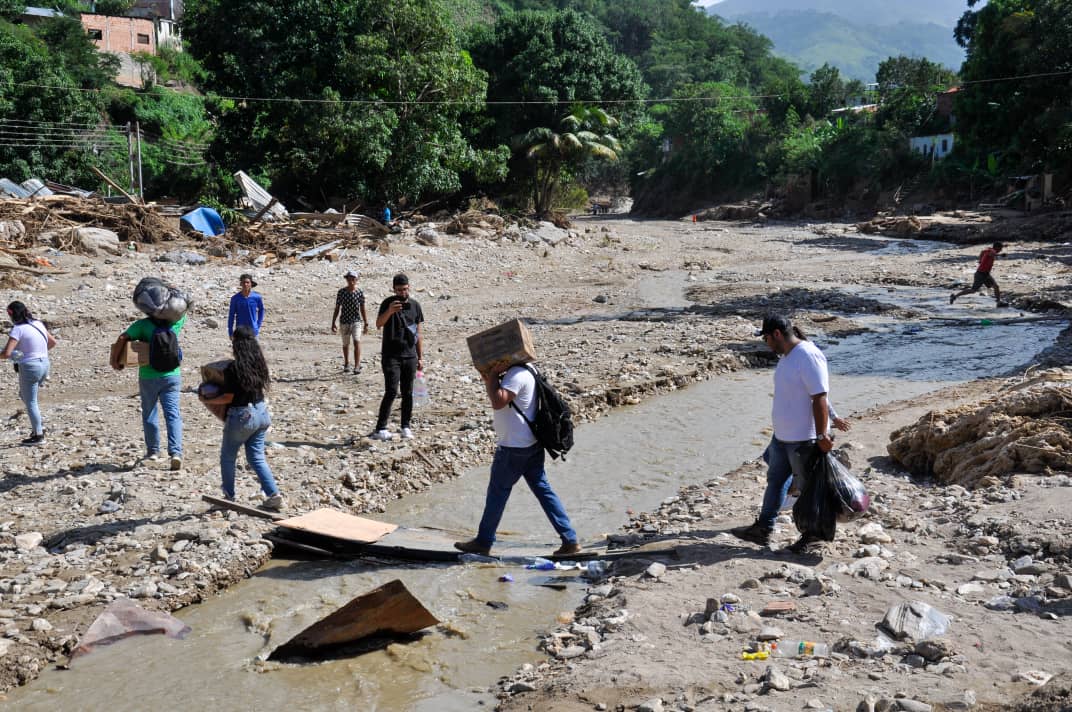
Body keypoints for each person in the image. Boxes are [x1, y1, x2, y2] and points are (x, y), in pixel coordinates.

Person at [731, 314, 845, 555]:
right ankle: (763, 529)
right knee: (776, 481)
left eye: (765, 338)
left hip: (804, 439)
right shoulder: (787, 357)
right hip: (783, 437)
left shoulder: (808, 356)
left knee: (810, 489)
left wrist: (823, 434)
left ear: (777, 334)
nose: (765, 343)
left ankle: (814, 537)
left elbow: (820, 397)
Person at [454, 362, 581, 557]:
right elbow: (501, 392)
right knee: (544, 491)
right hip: (531, 444)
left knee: (497, 494)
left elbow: (498, 401)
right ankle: (570, 540)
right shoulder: (529, 368)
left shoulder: (516, 374)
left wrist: (494, 373)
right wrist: (491, 377)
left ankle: (483, 541)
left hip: (514, 447)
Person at [199, 326, 283, 510]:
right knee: (256, 458)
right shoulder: (259, 364)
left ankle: (228, 497)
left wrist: (206, 398)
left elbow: (229, 397)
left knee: (228, 457)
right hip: (261, 413)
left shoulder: (233, 368)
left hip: (242, 416)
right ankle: (273, 494)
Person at [111, 312, 186, 469]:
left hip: (148, 376)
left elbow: (122, 338)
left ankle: (153, 451)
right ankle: (176, 453)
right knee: (173, 414)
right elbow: (183, 309)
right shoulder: (175, 323)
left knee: (150, 413)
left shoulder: (142, 325)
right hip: (172, 375)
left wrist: (115, 360)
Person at [371, 273, 424, 441]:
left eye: (405, 289)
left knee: (408, 392)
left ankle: (405, 426)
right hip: (391, 355)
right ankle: (381, 428)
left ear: (409, 287)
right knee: (392, 391)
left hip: (410, 355)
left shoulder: (415, 305)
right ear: (394, 289)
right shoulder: (388, 303)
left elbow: (418, 333)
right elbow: (379, 324)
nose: (403, 293)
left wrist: (420, 357)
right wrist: (390, 311)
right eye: (399, 290)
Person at [1, 301, 56, 445]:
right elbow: (52, 342)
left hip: (30, 367)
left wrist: (26, 356)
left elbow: (7, 353)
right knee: (26, 396)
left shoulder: (18, 329)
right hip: (44, 364)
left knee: (31, 402)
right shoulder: (38, 324)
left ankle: (38, 435)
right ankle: (38, 427)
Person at [331, 270, 369, 374]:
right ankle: (347, 363)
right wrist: (333, 322)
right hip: (344, 321)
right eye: (349, 278)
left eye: (353, 278)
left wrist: (366, 323)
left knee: (357, 341)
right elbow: (337, 308)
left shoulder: (359, 292)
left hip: (356, 321)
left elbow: (362, 308)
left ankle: (357, 365)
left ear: (356, 280)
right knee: (346, 344)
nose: (351, 280)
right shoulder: (341, 292)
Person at [950, 242, 1007, 307]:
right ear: (997, 247)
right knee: (973, 290)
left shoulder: (988, 250)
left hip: (986, 274)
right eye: (1000, 248)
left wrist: (980, 260)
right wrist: (1000, 255)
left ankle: (999, 302)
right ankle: (955, 296)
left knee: (996, 286)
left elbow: (982, 251)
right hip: (980, 274)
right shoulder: (991, 251)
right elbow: (992, 254)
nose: (1001, 250)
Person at [228, 274, 266, 338]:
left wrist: (258, 324)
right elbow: (231, 315)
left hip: (253, 330)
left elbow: (261, 310)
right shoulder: (235, 298)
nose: (245, 284)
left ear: (251, 284)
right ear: (241, 284)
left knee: (253, 348)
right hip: (240, 330)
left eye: (247, 282)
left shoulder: (257, 297)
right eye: (243, 282)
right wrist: (230, 332)